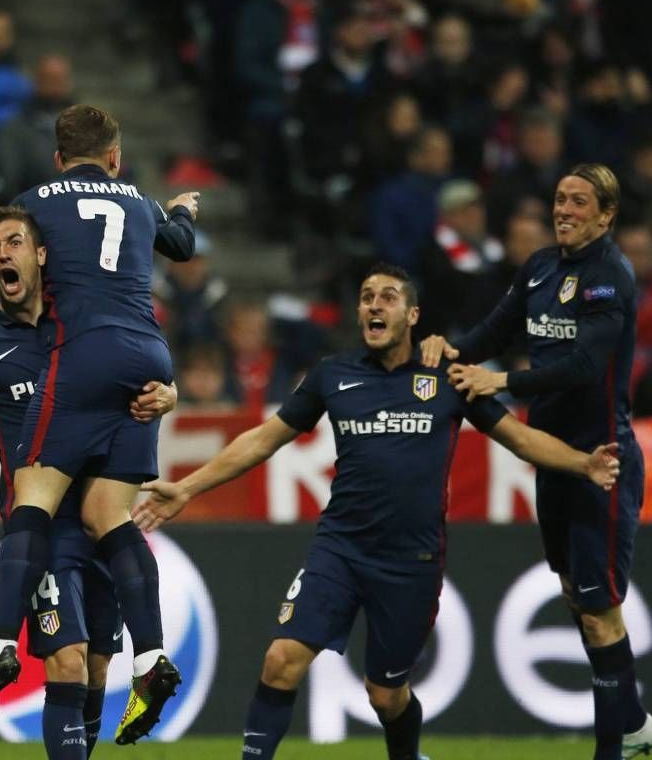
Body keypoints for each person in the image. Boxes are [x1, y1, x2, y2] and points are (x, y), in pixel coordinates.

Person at [134, 264, 622, 760]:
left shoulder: (447, 378)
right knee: (281, 659)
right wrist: (188, 487)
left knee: (385, 694)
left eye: (388, 297)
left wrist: (583, 463)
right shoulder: (333, 374)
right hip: (340, 548)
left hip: (411, 561)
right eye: (367, 295)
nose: (373, 304)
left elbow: (518, 438)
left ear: (411, 315)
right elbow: (263, 439)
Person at [0, 205, 177, 759]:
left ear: (40, 253)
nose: (3, 253)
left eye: (13, 242)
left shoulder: (82, 325)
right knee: (65, 658)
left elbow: (143, 377)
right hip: (41, 527)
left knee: (97, 667)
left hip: (102, 515)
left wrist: (169, 395)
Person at [0, 104, 199, 745]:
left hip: (82, 354)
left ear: (57, 159)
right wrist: (179, 211)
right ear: (117, 157)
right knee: (110, 518)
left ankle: (0, 645)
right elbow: (182, 246)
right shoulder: (137, 198)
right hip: (150, 359)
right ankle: (150, 656)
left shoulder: (33, 203)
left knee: (30, 498)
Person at [420, 163, 652, 759]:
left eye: (579, 202)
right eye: (560, 199)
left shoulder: (609, 278)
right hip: (553, 457)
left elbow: (584, 367)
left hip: (600, 458)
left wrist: (501, 380)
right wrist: (449, 348)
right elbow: (494, 331)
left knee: (600, 611)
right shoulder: (541, 267)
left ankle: (615, 749)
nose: (565, 210)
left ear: (605, 215)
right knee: (578, 595)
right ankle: (636, 723)